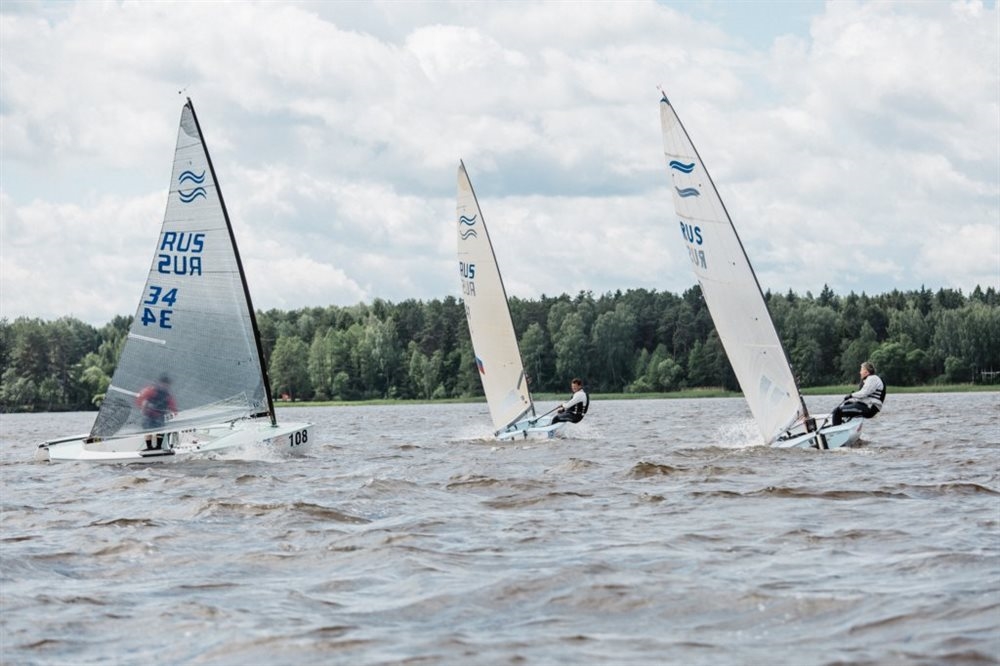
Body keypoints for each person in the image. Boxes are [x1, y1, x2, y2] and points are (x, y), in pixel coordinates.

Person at [831, 361, 885, 426]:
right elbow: (864, 396)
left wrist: (851, 395)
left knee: (837, 411)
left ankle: (837, 429)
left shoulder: (872, 379)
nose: (860, 372)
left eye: (861, 370)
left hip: (870, 408)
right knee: (846, 405)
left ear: (866, 372)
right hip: (866, 406)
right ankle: (843, 425)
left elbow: (864, 393)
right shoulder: (870, 379)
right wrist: (851, 399)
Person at [136, 374, 177, 450]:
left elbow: (173, 408)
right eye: (163, 384)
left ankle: (158, 447)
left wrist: (171, 415)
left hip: (159, 416)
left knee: (159, 431)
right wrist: (144, 410)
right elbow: (144, 400)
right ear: (160, 383)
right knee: (147, 430)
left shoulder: (168, 396)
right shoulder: (151, 391)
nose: (165, 386)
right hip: (149, 415)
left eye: (167, 385)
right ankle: (149, 447)